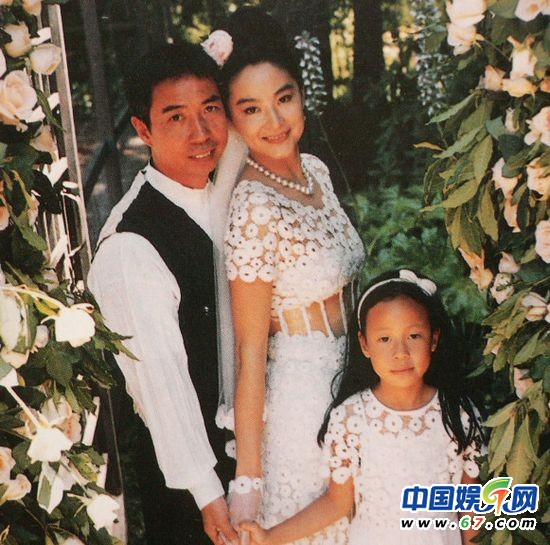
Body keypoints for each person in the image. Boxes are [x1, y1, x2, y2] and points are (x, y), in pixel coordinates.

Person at [205, 7, 365, 545]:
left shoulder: (315, 170)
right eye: (251, 109)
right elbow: (251, 351)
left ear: (301, 95)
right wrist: (247, 484)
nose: (274, 122)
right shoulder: (253, 206)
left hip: (358, 382)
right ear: (232, 120)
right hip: (304, 406)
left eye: (284, 98)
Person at [87, 41, 239, 545]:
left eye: (210, 109)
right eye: (176, 117)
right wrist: (208, 493)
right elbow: (159, 384)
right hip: (198, 492)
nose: (201, 132)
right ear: (143, 129)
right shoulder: (131, 245)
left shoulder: (226, 189)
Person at [241, 269, 485, 545]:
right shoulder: (352, 417)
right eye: (385, 339)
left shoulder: (458, 413)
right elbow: (337, 502)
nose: (400, 352)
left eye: (414, 336)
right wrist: (270, 536)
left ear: (434, 339)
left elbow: (471, 508)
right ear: (365, 344)